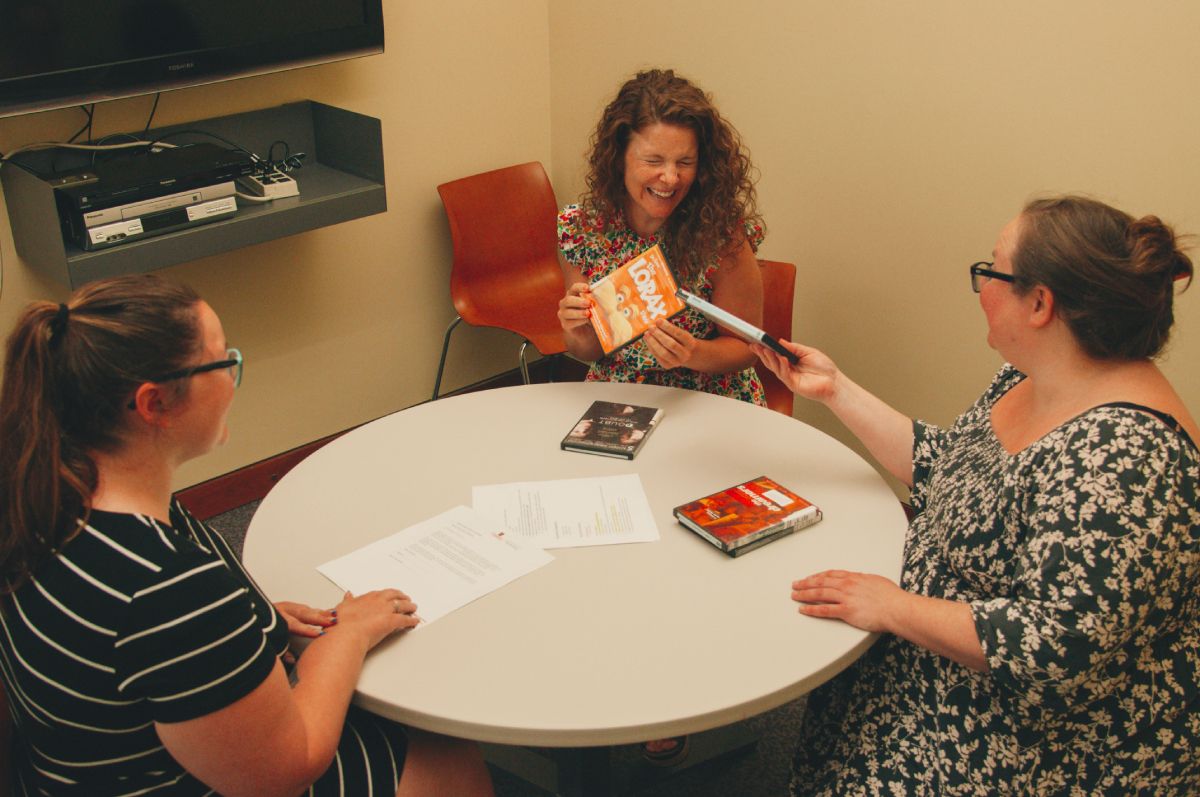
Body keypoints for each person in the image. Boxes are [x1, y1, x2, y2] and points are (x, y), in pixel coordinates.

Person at [753, 195, 1199, 795]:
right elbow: (949, 468)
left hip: (1033, 740)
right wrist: (834, 390)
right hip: (940, 649)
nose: (981, 285)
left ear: (1040, 303)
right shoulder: (1034, 373)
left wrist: (892, 607)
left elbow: (1052, 649)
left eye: (992, 270)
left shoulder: (1128, 459)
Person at [0, 274, 494, 797]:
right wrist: (348, 635)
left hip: (76, 770)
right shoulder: (165, 586)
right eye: (223, 361)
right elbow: (288, 766)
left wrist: (238, 635)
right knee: (447, 757)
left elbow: (124, 655)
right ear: (154, 405)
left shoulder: (46, 497)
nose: (235, 377)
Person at [557, 67, 769, 407]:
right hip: (619, 393)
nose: (670, 178)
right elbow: (587, 350)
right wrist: (576, 328)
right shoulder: (584, 230)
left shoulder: (719, 233)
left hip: (708, 395)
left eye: (685, 162)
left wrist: (693, 352)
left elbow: (746, 349)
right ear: (619, 158)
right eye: (653, 160)